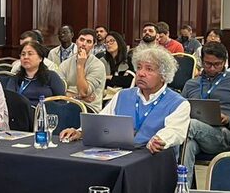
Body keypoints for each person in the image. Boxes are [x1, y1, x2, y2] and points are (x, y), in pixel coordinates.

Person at [59, 46, 190, 153]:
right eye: (139, 67)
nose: (141, 73)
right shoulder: (123, 95)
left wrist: (159, 139)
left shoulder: (178, 103)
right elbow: (102, 121)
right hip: (120, 155)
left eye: (149, 69)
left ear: (163, 76)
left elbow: (174, 132)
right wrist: (80, 132)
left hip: (153, 159)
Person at [181, 43, 230, 170]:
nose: (212, 68)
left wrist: (229, 119)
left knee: (190, 125)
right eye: (208, 64)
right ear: (202, 62)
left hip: (225, 134)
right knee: (188, 146)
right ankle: (183, 186)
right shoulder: (191, 84)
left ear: (225, 62)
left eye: (217, 64)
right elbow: (179, 111)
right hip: (195, 135)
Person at [59, 29, 108, 112]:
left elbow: (83, 92)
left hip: (90, 109)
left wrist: (80, 65)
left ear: (93, 45)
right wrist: (78, 96)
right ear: (76, 42)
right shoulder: (65, 64)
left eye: (88, 42)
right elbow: (58, 91)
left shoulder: (98, 66)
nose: (84, 44)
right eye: (82, 40)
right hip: (68, 104)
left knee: (72, 108)